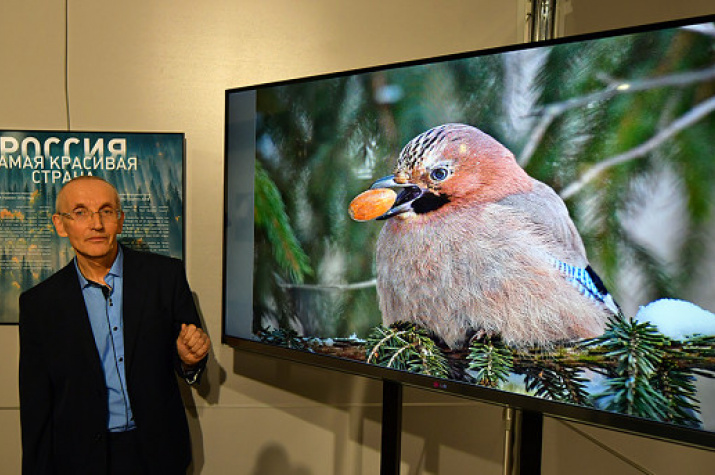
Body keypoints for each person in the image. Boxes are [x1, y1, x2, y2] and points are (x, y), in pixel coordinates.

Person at [19, 175, 211, 475]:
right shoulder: (39, 304)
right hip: (78, 459)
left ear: (119, 221)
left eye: (106, 211)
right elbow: (36, 405)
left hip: (157, 453)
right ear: (60, 224)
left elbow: (188, 356)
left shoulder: (165, 277)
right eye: (80, 213)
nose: (96, 224)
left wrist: (189, 361)